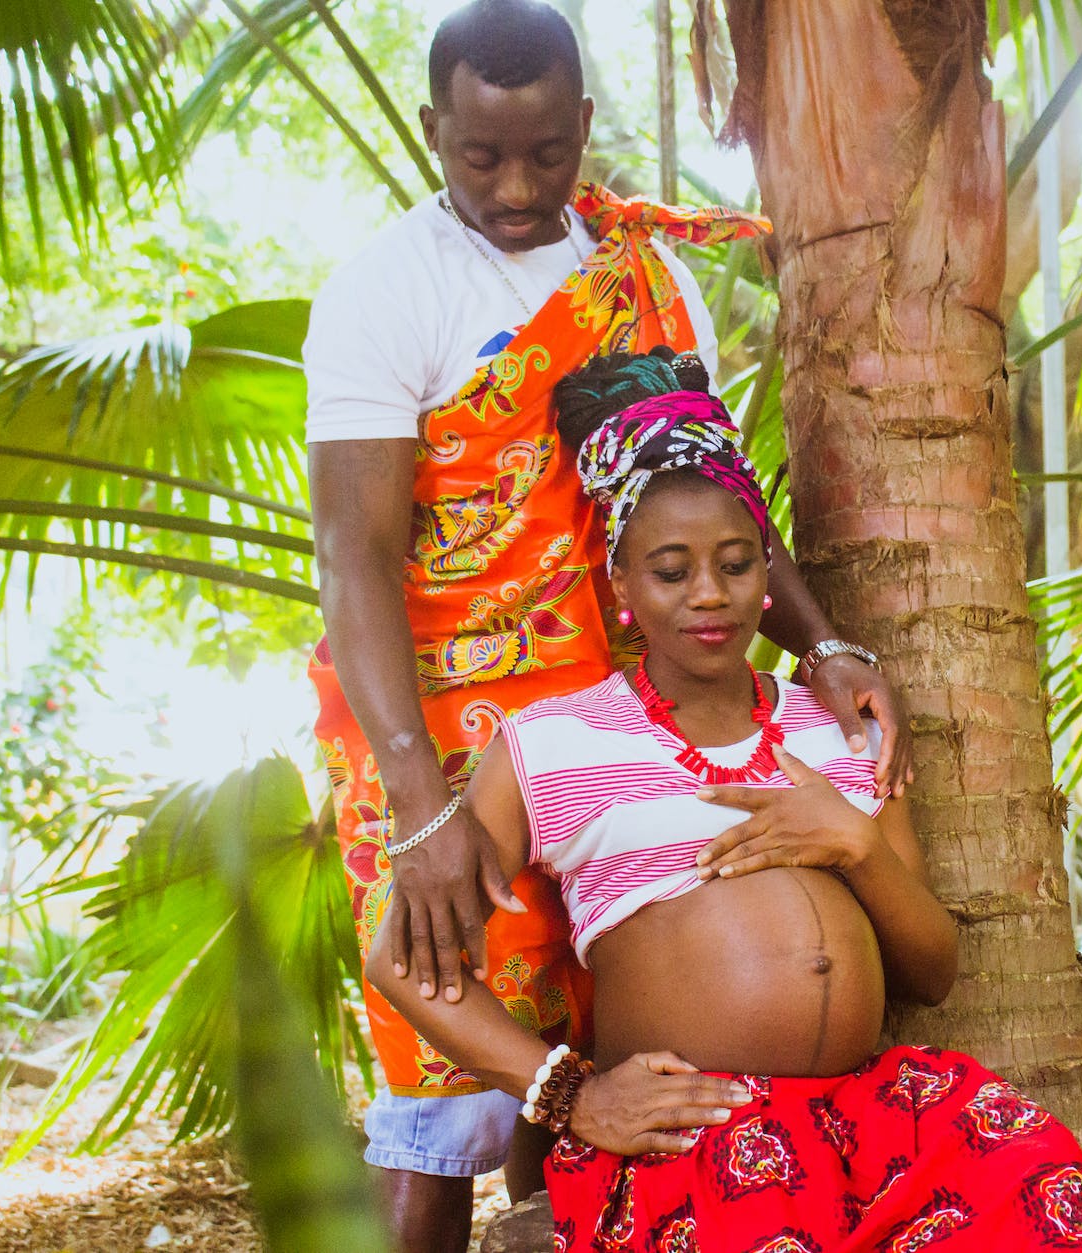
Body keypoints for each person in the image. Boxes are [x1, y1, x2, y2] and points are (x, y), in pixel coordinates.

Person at [301, 3, 908, 1247]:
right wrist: (417, 799)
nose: (517, 188)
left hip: (615, 722)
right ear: (433, 131)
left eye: (544, 154)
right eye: (479, 157)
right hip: (440, 728)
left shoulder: (647, 279)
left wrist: (822, 644)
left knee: (582, 1041)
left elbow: (714, 496)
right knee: (441, 1077)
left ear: (583, 125)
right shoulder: (381, 289)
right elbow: (351, 557)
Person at [365, 352, 1082, 1252]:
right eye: (671, 571)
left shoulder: (840, 724)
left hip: (870, 1116)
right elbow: (402, 963)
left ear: (768, 569)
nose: (710, 595)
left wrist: (857, 847)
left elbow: (932, 970)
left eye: (734, 562)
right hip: (694, 1127)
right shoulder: (551, 743)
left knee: (1038, 1186)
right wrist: (572, 1093)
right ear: (621, 586)